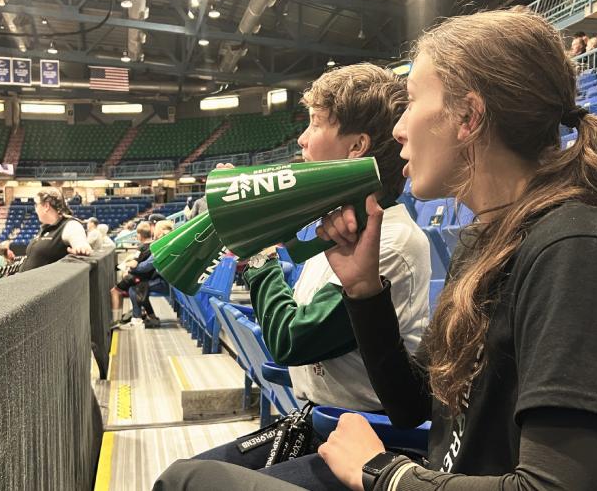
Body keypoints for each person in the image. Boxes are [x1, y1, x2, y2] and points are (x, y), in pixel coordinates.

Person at [156, 8, 597, 491]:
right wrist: (363, 291)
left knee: (185, 481)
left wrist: (385, 472)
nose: (399, 131)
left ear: (468, 117)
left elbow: (555, 486)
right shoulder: (491, 240)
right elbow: (412, 405)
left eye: (409, 104)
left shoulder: (574, 248)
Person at [172, 63, 431, 488]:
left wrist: (259, 259)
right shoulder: (336, 228)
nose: (302, 139)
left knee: (186, 482)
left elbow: (293, 340)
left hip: (371, 435)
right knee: (179, 476)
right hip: (320, 423)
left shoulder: (391, 242)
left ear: (356, 146)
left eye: (314, 124)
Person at [111, 220, 173, 329]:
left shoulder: (163, 246)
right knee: (139, 287)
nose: (153, 231)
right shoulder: (162, 244)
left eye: (156, 228)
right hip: (163, 279)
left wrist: (130, 269)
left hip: (164, 282)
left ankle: (137, 319)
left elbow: (145, 267)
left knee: (135, 289)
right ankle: (151, 317)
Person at [20, 188, 92, 272]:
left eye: (36, 205)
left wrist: (81, 247)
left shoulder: (70, 225)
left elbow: (79, 241)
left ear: (46, 206)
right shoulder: (45, 228)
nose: (35, 209)